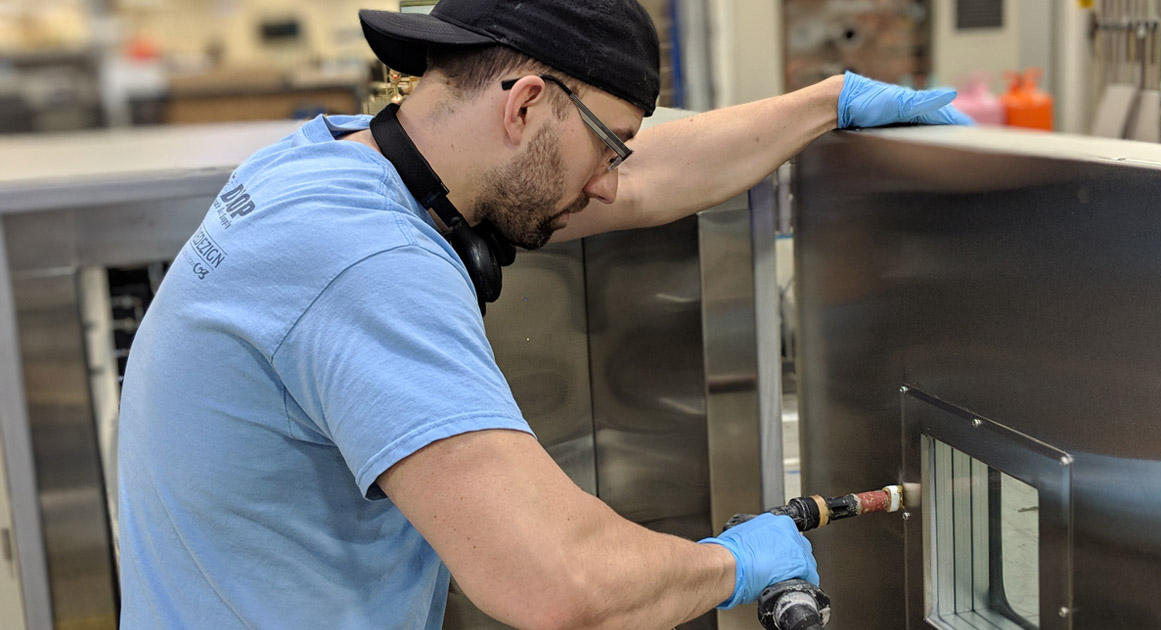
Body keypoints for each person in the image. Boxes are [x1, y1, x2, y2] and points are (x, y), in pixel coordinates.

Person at [116, 1, 970, 628]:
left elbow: (646, 178)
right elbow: (559, 581)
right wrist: (731, 564)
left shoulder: (328, 164)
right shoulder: (367, 264)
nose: (610, 180)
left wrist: (823, 104)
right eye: (609, 145)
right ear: (524, 106)